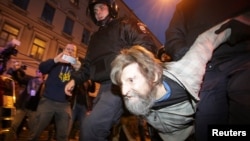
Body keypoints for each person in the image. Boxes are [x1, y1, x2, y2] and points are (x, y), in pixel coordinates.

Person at [110, 22, 232, 141]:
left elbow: (206, 40)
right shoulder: (136, 99)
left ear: (154, 77)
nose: (124, 91)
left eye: (131, 80)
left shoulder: (186, 73)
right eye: (122, 84)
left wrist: (240, 21)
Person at [64, 0, 158, 140]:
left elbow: (146, 44)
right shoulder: (95, 38)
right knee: (105, 132)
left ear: (111, 8)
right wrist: (74, 79)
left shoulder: (125, 24)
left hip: (119, 86)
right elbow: (87, 65)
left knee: (91, 128)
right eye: (95, 11)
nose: (98, 13)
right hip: (102, 89)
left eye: (101, 8)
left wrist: (131, 67)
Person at [164, 0, 250, 140]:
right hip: (206, 72)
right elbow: (173, 36)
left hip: (240, 59)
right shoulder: (185, 5)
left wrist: (231, 30)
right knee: (207, 128)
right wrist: (191, 57)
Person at [28, 44, 81, 141]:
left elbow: (82, 80)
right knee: (35, 132)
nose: (69, 51)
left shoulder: (75, 67)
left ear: (75, 54)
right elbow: (42, 68)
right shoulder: (55, 62)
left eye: (72, 50)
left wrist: (78, 69)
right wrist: (55, 60)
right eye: (67, 49)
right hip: (47, 101)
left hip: (64, 104)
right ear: (63, 50)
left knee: (63, 135)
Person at [4, 69, 44, 141]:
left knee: (33, 128)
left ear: (43, 74)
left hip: (33, 109)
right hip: (24, 106)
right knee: (14, 125)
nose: (37, 72)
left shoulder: (44, 85)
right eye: (37, 71)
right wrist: (15, 70)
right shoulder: (30, 80)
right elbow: (20, 79)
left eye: (39, 71)